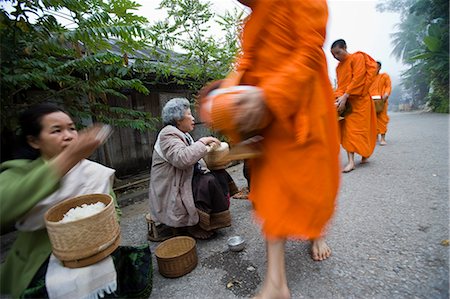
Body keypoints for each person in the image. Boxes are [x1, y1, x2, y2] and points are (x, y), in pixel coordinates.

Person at [201, 1, 341, 298]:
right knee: (271, 191)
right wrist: (227, 98)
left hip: (302, 104)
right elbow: (247, 62)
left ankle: (316, 233)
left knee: (311, 186)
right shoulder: (252, 21)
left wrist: (272, 96)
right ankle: (276, 282)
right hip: (265, 114)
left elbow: (309, 50)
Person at [0, 103, 152, 298]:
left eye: (72, 128)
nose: (69, 135)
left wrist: (103, 227)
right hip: (43, 268)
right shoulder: (19, 171)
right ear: (34, 141)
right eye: (57, 130)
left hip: (96, 258)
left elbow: (111, 207)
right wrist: (68, 158)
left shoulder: (92, 171)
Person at [148, 97, 235, 240]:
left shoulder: (183, 134)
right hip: (170, 187)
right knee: (208, 181)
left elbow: (194, 156)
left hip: (183, 178)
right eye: (189, 114)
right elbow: (182, 158)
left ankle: (213, 220)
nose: (193, 118)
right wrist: (203, 141)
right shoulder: (167, 135)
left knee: (220, 174)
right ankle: (194, 226)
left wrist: (208, 150)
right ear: (178, 119)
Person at [331, 38, 378, 173]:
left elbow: (358, 78)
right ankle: (351, 161)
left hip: (360, 101)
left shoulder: (357, 58)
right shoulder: (338, 67)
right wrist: (338, 98)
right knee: (348, 131)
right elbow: (340, 85)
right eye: (334, 55)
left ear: (345, 47)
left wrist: (346, 95)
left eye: (338, 53)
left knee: (361, 131)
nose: (336, 57)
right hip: (346, 103)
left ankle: (364, 153)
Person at [369, 61, 392, 145]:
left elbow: (388, 86)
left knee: (382, 119)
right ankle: (375, 137)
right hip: (370, 101)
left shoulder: (384, 76)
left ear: (379, 68)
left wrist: (386, 94)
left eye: (376, 67)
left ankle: (382, 138)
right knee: (372, 120)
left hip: (382, 101)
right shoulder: (369, 78)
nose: (374, 69)